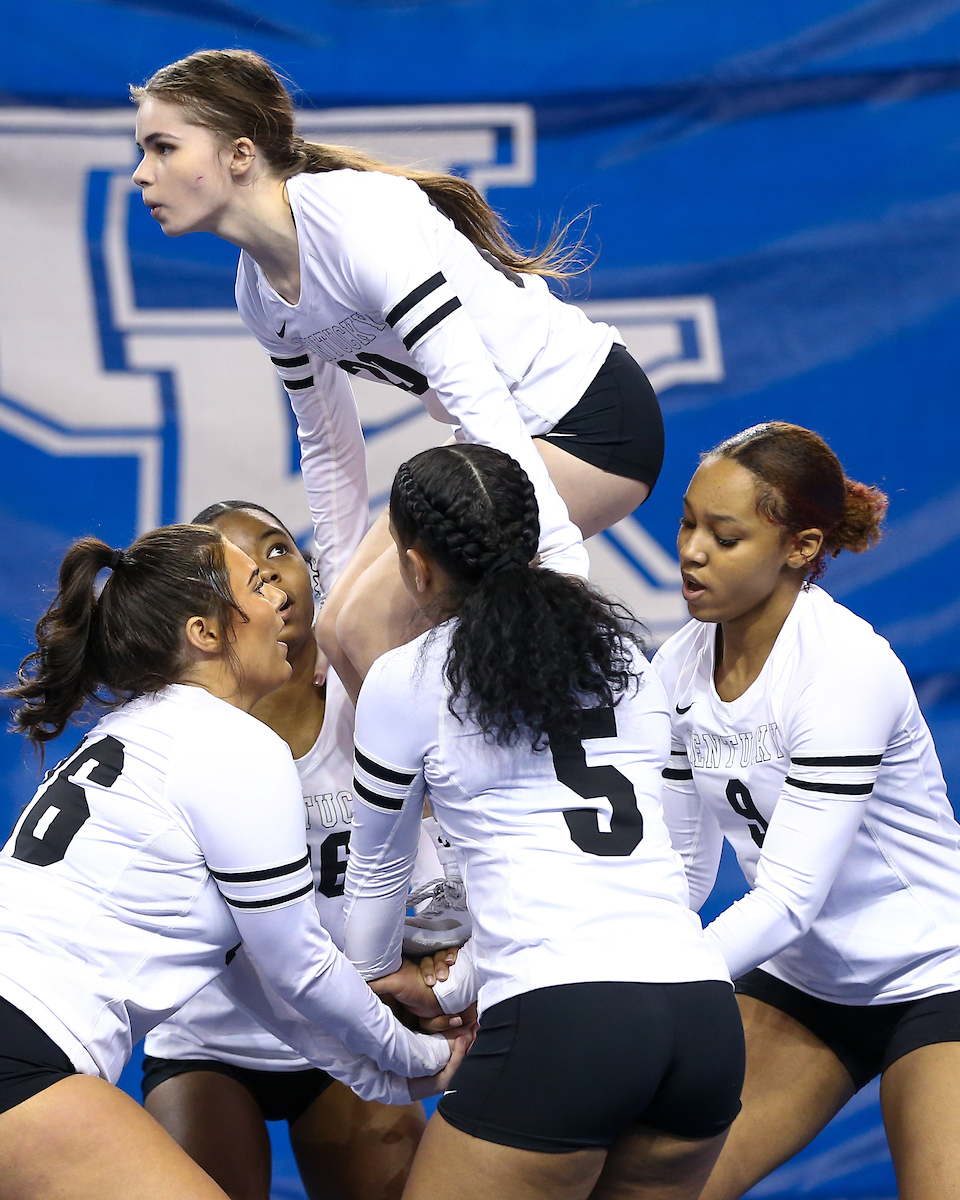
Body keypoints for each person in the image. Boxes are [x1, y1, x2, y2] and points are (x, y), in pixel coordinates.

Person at [130, 48, 665, 700]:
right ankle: (416, 805)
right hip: (499, 438)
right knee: (342, 631)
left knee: (372, 634)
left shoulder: (355, 222)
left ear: (240, 154)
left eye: (162, 148)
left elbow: (473, 385)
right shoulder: (259, 293)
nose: (141, 174)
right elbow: (327, 443)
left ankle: (470, 798)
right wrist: (331, 584)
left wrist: (554, 559)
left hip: (588, 417)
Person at [0, 523, 461, 1200]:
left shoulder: (139, 729)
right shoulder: (230, 744)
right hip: (22, 1048)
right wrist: (421, 1054)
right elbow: (299, 968)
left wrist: (387, 1076)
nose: (279, 600)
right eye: (256, 585)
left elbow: (260, 977)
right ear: (205, 633)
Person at [341, 443, 744, 1200]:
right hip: (702, 1017)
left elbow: (379, 868)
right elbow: (644, 872)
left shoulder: (408, 678)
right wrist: (462, 983)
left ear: (418, 566)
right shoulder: (627, 658)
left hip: (564, 1030)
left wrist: (374, 975)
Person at [652, 421, 960, 1200]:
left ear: (800, 546)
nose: (691, 551)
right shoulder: (677, 663)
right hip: (806, 987)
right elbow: (682, 874)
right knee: (653, 1186)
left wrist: (646, 988)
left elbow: (787, 899)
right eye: (688, 522)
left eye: (724, 537)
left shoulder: (845, 670)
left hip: (937, 977)